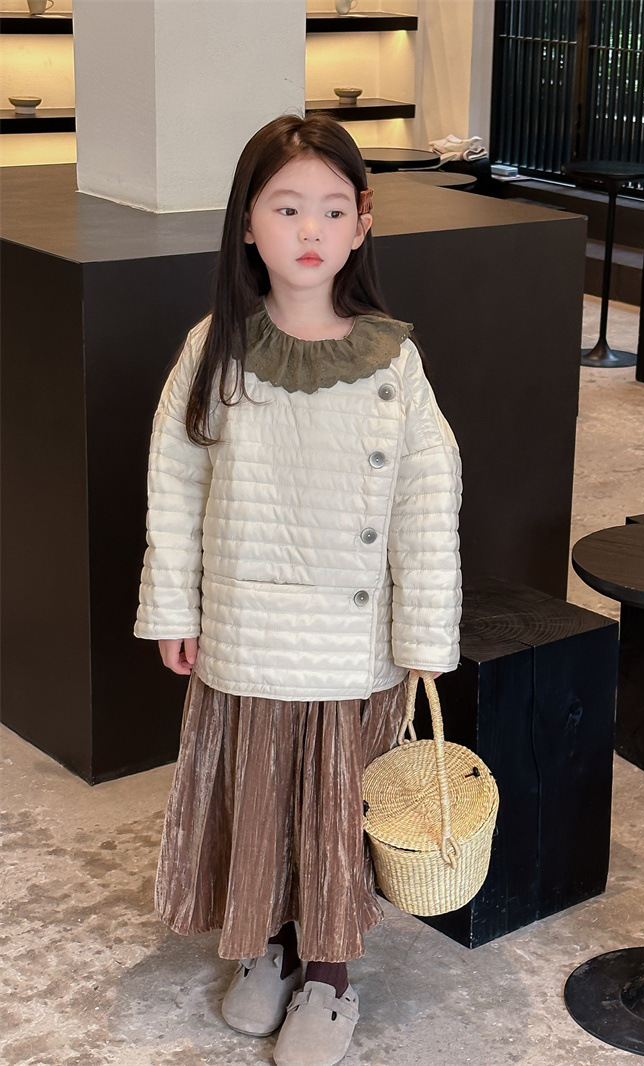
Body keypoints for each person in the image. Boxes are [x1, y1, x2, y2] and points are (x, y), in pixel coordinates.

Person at [134, 112, 462, 1066]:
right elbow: (174, 482)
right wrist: (175, 607)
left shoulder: (394, 360)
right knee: (259, 803)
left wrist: (423, 635)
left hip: (351, 648)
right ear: (247, 224)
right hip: (246, 632)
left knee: (331, 817)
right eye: (285, 208)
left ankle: (330, 975)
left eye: (330, 208)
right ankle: (268, 946)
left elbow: (426, 495)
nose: (309, 230)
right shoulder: (213, 348)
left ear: (363, 221)